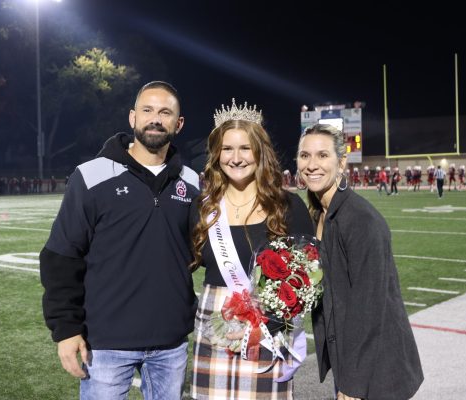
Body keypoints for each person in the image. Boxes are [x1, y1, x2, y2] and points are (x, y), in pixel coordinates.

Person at [40, 81, 200, 400]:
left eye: (165, 112)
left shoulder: (193, 183)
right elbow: (61, 257)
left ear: (178, 124)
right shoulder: (91, 176)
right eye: (147, 110)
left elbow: (204, 251)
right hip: (106, 343)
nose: (155, 118)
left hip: (170, 342)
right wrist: (66, 329)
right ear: (132, 118)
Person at [190, 99, 314, 399]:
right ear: (216, 153)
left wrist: (265, 325)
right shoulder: (201, 209)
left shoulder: (288, 206)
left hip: (269, 331)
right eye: (227, 148)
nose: (235, 157)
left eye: (245, 148)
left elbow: (306, 278)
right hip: (214, 328)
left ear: (260, 151)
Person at [296, 124, 423, 400]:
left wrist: (352, 384)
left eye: (322, 155)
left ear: (341, 162)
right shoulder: (319, 214)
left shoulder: (361, 220)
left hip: (376, 370)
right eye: (305, 155)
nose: (311, 164)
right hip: (348, 355)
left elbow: (369, 309)